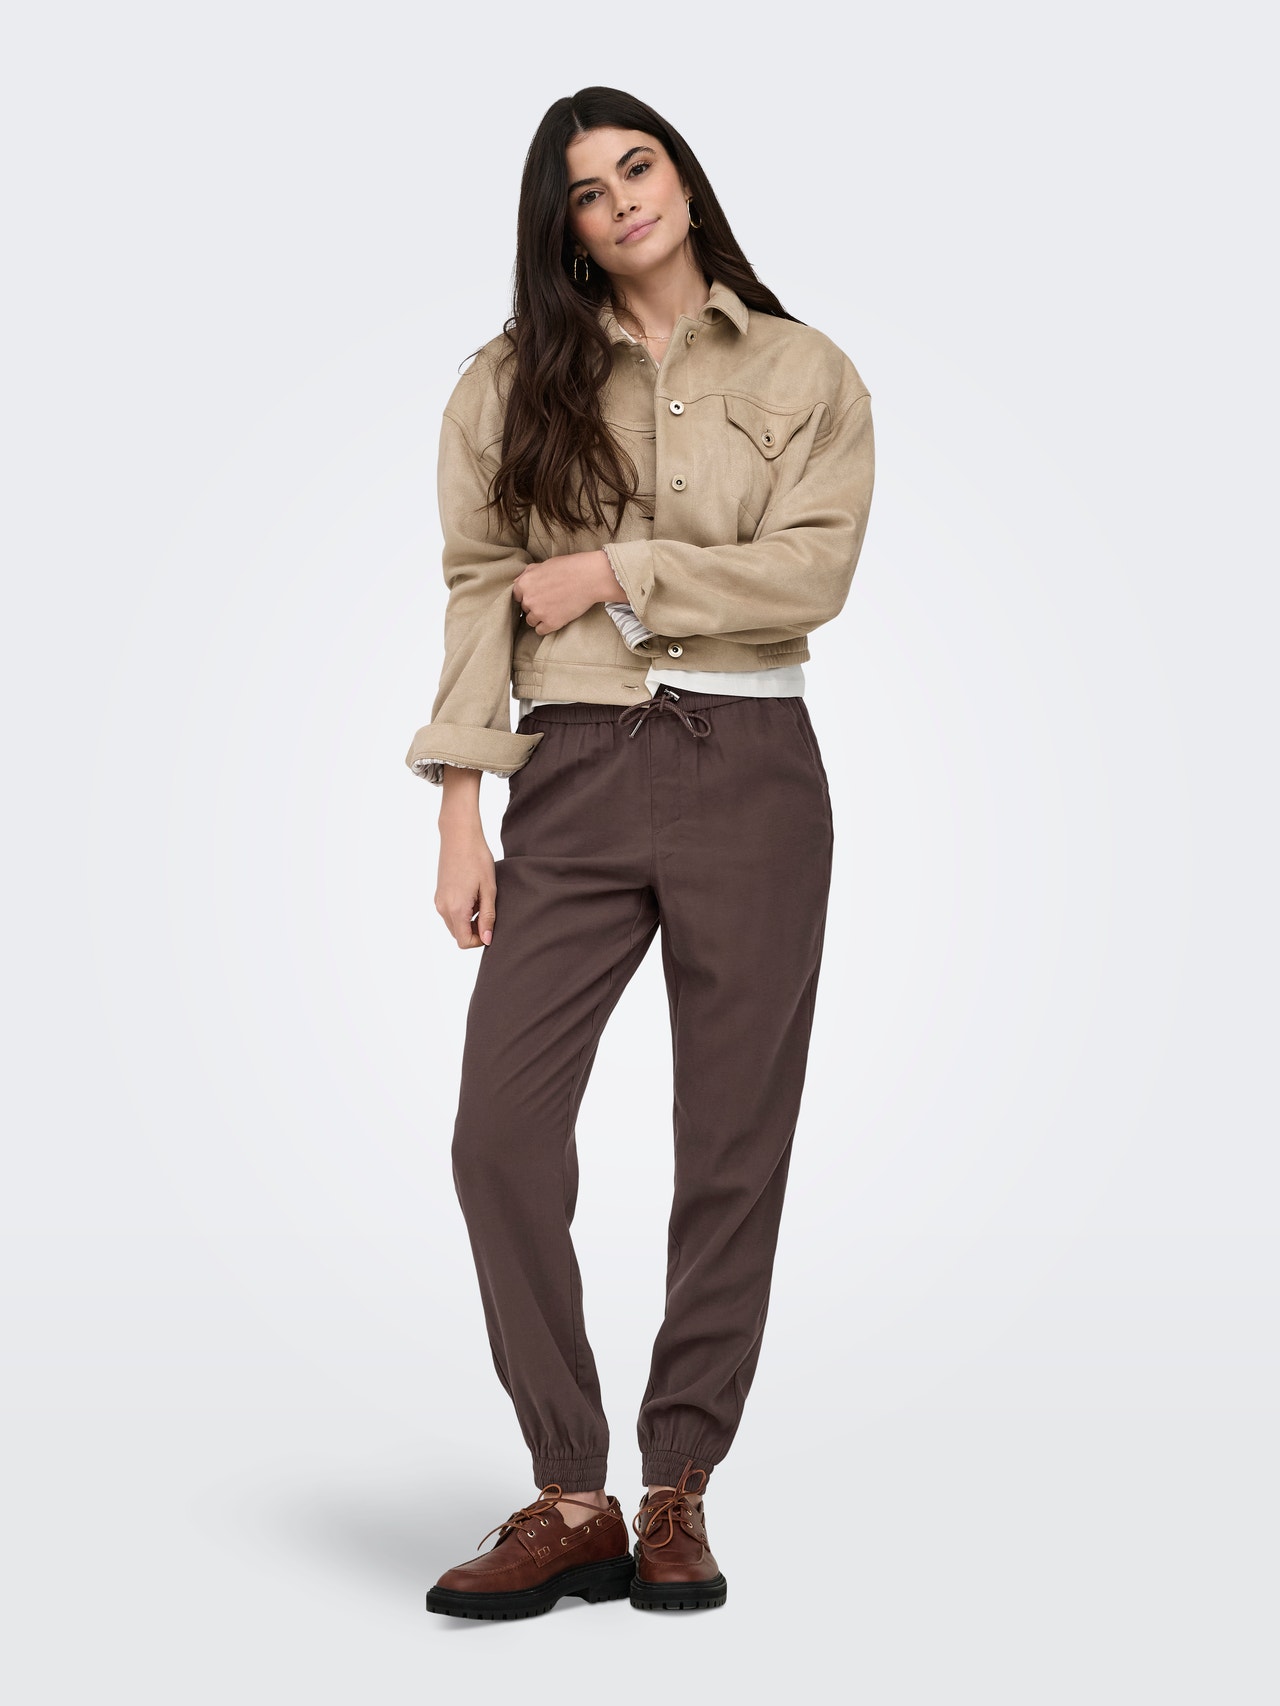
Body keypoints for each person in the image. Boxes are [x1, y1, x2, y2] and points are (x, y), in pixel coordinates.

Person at [408, 85, 875, 1619]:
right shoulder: (507, 382)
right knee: (498, 1134)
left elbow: (812, 570)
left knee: (733, 1141)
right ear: (565, 230)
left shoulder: (805, 368)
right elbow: (481, 586)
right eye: (589, 192)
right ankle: (571, 1491)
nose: (623, 202)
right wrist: (461, 805)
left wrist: (618, 566)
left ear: (680, 174)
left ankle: (678, 1485)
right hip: (574, 771)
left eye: (639, 166)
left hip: (754, 766)